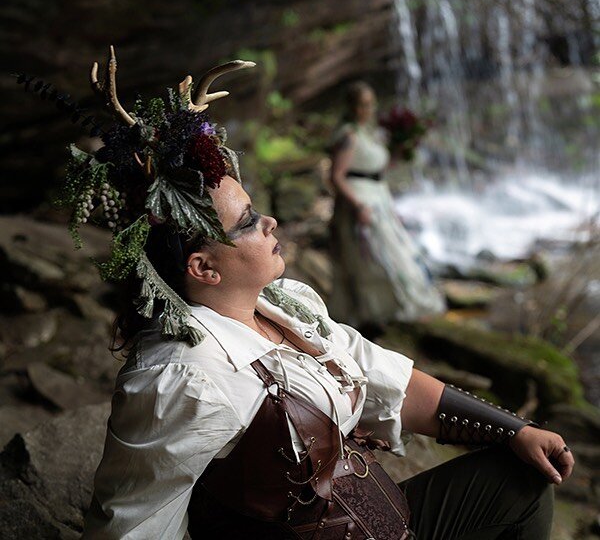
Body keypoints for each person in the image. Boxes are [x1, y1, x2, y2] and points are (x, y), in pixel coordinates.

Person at [28, 49, 572, 539]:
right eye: (247, 223)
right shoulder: (187, 377)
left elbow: (387, 379)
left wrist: (514, 429)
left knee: (521, 478)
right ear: (204, 267)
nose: (270, 222)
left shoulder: (284, 305)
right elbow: (134, 527)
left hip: (390, 522)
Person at [328, 81, 445, 331]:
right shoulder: (349, 136)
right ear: (352, 107)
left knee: (393, 252)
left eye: (370, 104)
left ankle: (396, 308)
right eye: (361, 105)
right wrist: (358, 205)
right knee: (378, 257)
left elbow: (375, 169)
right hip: (361, 201)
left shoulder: (369, 133)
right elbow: (336, 175)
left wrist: (401, 149)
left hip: (378, 196)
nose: (366, 109)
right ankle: (378, 312)